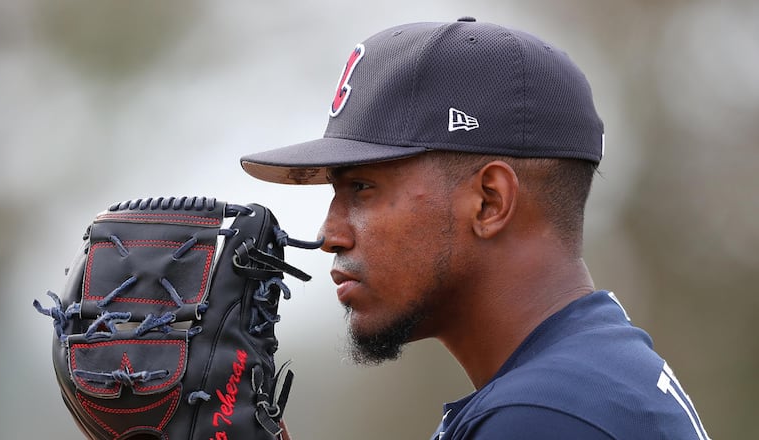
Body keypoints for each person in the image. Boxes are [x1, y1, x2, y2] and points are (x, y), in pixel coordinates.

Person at [240, 17, 710, 440]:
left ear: (489, 201)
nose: (330, 234)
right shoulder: (580, 386)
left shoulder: (544, 415)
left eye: (362, 187)